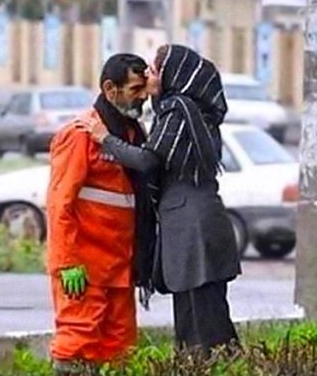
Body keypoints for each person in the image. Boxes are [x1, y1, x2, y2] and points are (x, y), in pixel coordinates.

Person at [78, 45, 241, 353]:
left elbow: (149, 161)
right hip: (192, 225)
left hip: (194, 228)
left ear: (172, 76)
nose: (147, 76)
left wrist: (104, 138)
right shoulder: (185, 112)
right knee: (194, 320)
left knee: (206, 325)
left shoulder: (177, 111)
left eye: (153, 71)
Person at [45, 53, 154, 374]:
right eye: (136, 89)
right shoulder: (79, 135)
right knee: (76, 344)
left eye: (144, 88)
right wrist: (67, 264)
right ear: (111, 89)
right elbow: (59, 204)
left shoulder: (131, 135)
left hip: (119, 268)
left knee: (121, 351)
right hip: (84, 269)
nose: (143, 96)